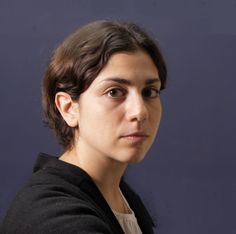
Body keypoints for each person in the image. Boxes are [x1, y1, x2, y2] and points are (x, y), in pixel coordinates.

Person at [0, 20, 167, 234]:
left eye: (149, 91)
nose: (140, 112)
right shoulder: (56, 219)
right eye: (114, 92)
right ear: (69, 108)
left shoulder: (122, 198)